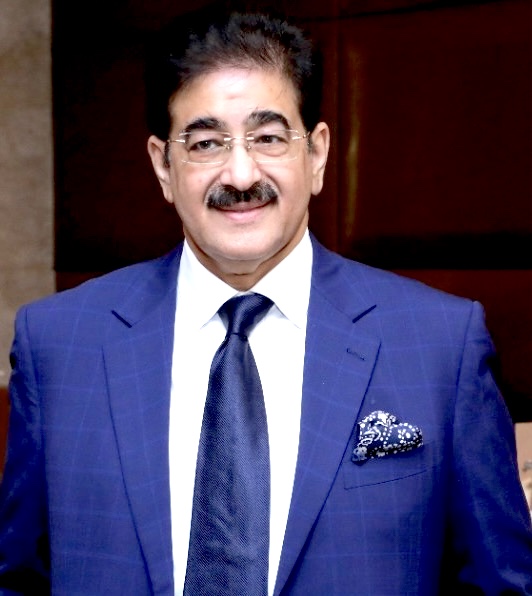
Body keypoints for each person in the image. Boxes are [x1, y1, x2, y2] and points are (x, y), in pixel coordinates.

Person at [0, 7, 531, 595]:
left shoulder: (439, 345)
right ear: (163, 166)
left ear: (318, 154)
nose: (240, 174)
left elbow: (504, 585)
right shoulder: (60, 344)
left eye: (269, 138)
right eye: (206, 143)